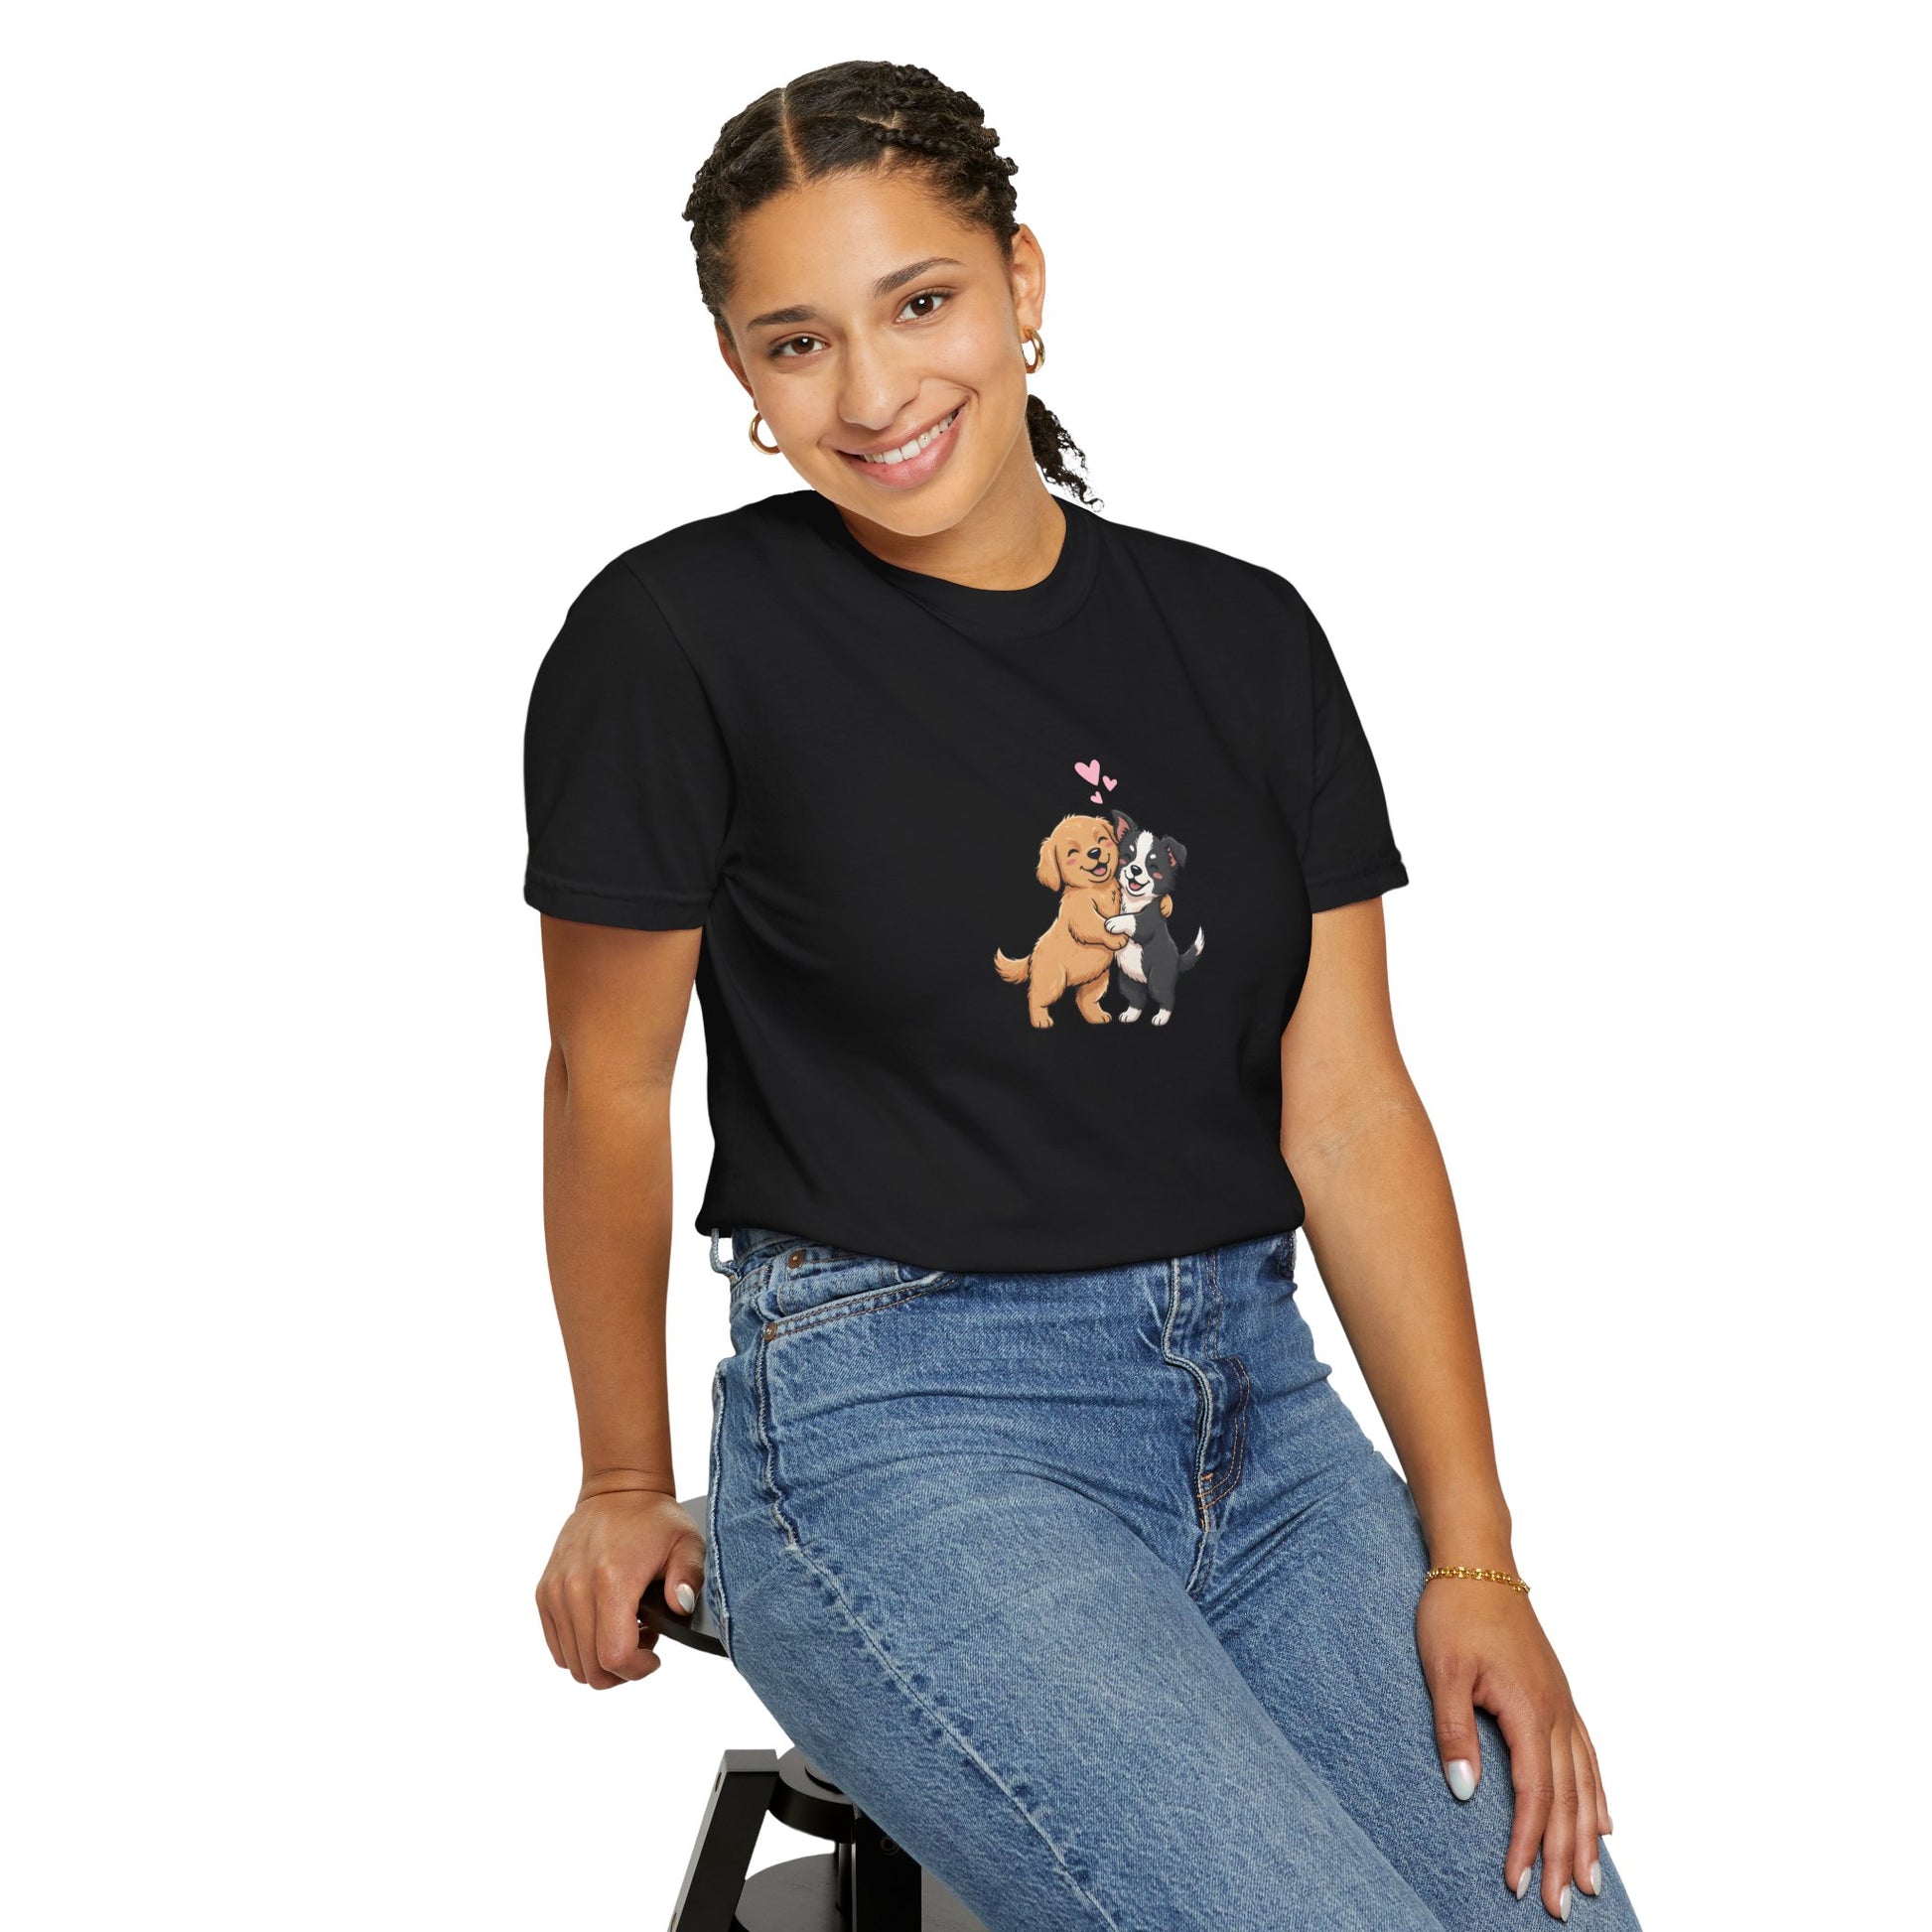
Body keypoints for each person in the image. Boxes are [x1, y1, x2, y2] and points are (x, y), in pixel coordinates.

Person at [523, 58, 1643, 1932]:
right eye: (796, 343)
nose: (872, 392)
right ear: (739, 372)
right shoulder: (676, 637)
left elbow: (1348, 1105)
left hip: (1262, 1419)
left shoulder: (1244, 636)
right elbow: (606, 1081)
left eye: (921, 303)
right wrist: (624, 1470)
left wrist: (1475, 1559)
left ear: (1021, 280)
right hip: (896, 1426)